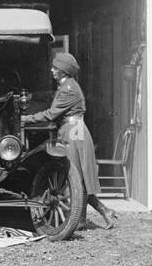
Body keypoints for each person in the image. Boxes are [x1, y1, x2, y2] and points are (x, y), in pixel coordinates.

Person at [21, 51, 112, 226]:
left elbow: (51, 114)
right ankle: (89, 217)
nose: (52, 70)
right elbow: (52, 97)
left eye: (56, 68)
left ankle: (98, 213)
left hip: (74, 132)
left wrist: (26, 119)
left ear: (64, 71)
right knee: (79, 176)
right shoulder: (66, 86)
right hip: (71, 130)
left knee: (75, 175)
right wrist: (33, 96)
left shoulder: (69, 89)